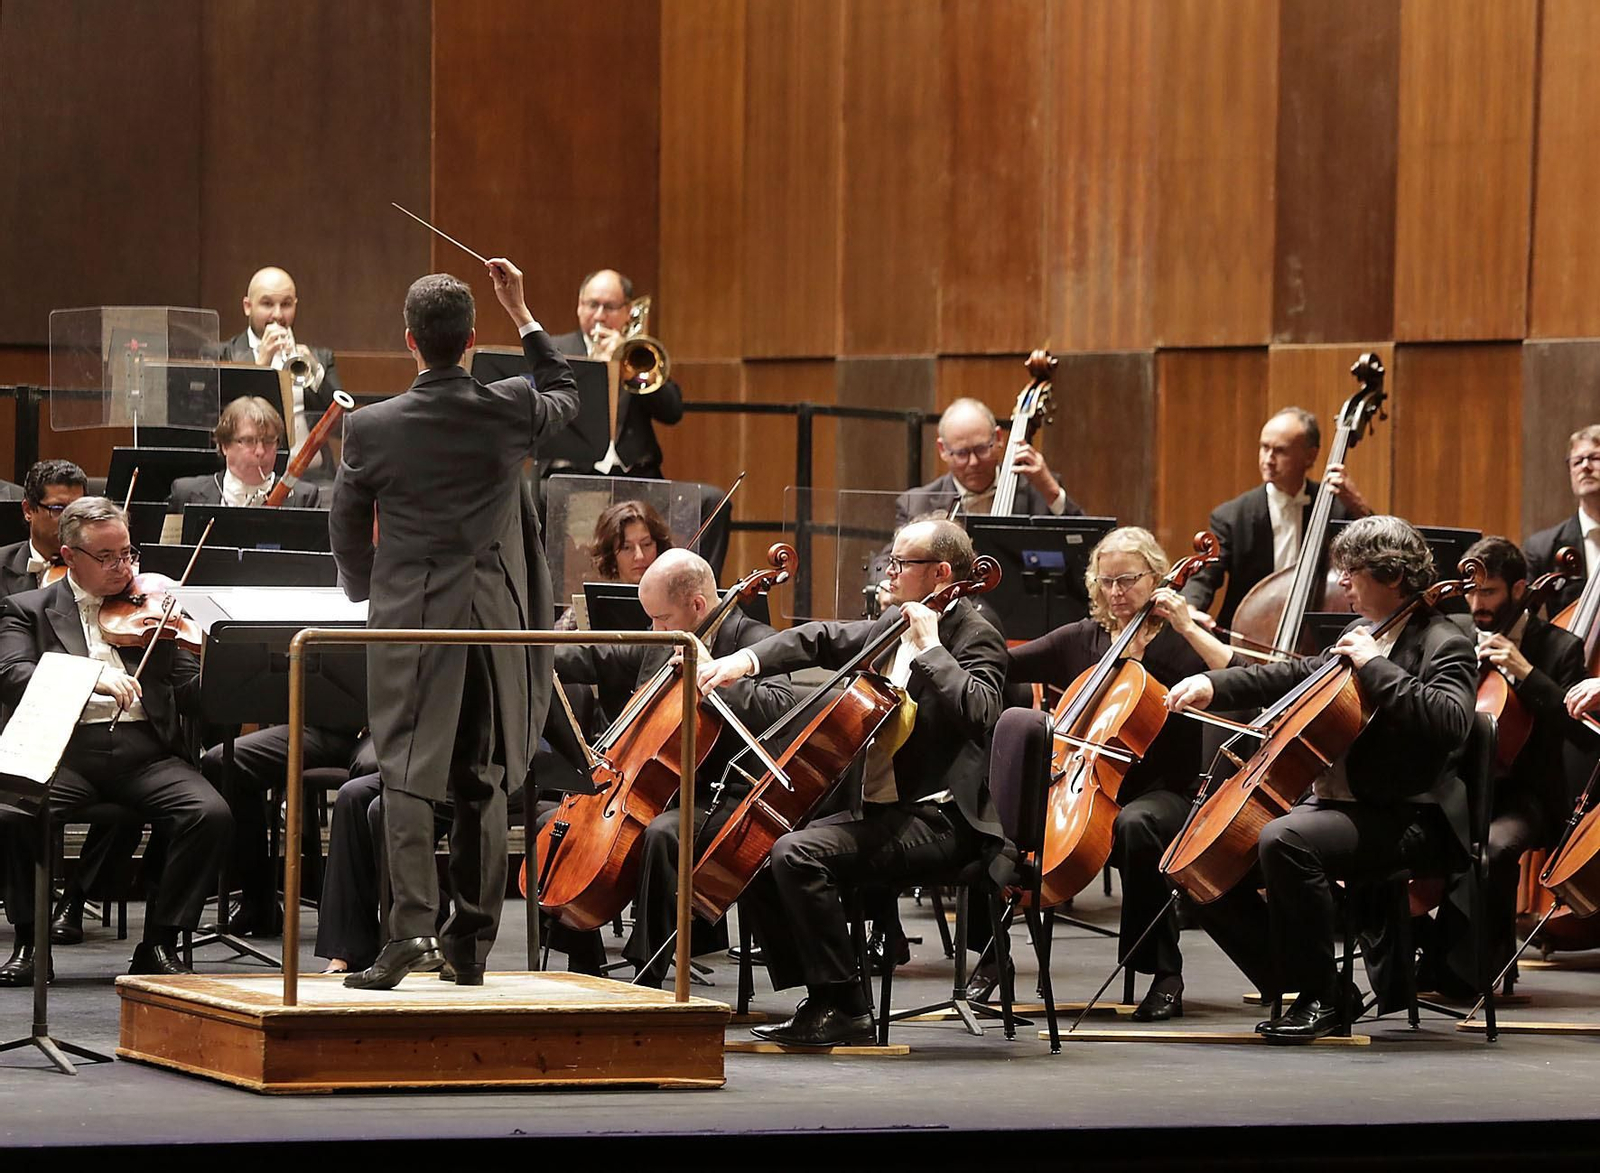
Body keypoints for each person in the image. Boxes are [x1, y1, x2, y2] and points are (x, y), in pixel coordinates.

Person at [329, 259, 578, 989]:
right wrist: (523, 311)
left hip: (413, 618)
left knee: (404, 772)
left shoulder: (370, 426)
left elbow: (346, 526)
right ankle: (469, 944)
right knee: (484, 774)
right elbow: (565, 390)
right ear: (472, 338)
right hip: (495, 619)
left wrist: (363, 588)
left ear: (410, 340)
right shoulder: (507, 407)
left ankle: (409, 933)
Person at [697, 518, 1010, 1047]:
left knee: (797, 854)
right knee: (758, 851)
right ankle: (824, 995)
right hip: (884, 809)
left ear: (937, 573)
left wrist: (932, 648)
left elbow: (981, 711)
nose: (889, 571)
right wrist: (743, 660)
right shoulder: (894, 622)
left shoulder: (975, 634)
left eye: (900, 563)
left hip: (944, 820)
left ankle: (846, 1006)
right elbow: (821, 638)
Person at [1167, 515, 1476, 1043]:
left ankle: (1319, 999)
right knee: (1202, 865)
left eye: (1353, 572)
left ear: (1393, 575)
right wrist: (1211, 684)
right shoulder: (1364, 634)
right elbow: (1288, 674)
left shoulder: (1444, 640)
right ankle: (1320, 986)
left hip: (1408, 813)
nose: (1345, 584)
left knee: (1285, 839)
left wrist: (1378, 667)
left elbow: (1452, 721)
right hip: (1343, 808)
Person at [984, 527, 1234, 1019]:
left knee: (1136, 826)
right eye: (1106, 582)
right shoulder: (1082, 638)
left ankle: (1164, 973)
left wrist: (1188, 626)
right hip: (1081, 784)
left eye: (1128, 580)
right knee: (996, 823)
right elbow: (1005, 664)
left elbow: (1238, 673)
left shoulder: (1177, 645)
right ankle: (992, 960)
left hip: (1163, 791)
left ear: (1156, 579)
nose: (1116, 593)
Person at [0, 498, 232, 985]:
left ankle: (159, 944)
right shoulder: (27, 609)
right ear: (69, 555)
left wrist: (215, 654)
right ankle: (29, 943)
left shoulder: (155, 611)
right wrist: (90, 677)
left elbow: (191, 693)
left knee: (207, 813)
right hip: (66, 751)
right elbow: (14, 673)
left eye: (128, 553)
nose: (122, 567)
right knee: (14, 809)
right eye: (106, 557)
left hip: (145, 754)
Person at [544, 548, 793, 984]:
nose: (654, 630)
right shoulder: (665, 641)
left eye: (661, 618)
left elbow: (783, 704)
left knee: (663, 835)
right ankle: (583, 966)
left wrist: (714, 675)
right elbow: (598, 657)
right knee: (558, 828)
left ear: (697, 605)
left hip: (723, 793)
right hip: (651, 786)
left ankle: (650, 975)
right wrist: (533, 651)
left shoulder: (753, 638)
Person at [1421, 536, 1590, 996]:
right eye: (1471, 592)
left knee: (1490, 849)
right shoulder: (1450, 631)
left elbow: (1580, 733)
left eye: (1489, 592)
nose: (1477, 604)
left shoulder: (1559, 647)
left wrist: (1526, 673)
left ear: (1519, 590)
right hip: (1456, 787)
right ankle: (1425, 958)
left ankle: (1472, 971)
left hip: (1526, 795)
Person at [1181, 407, 1372, 630]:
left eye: (1280, 451)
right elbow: (1206, 574)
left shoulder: (1337, 507)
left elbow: (1379, 552)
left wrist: (1357, 504)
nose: (1268, 460)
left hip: (1315, 637)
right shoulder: (1232, 516)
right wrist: (1191, 606)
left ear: (1310, 455)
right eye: (1264, 448)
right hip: (1249, 634)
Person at [548, 268, 684, 479]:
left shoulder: (640, 353)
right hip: (570, 472)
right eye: (593, 305)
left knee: (710, 498)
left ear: (627, 310)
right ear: (579, 306)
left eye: (610, 307)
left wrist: (627, 370)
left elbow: (672, 411)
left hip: (635, 472)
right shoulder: (553, 349)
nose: (600, 316)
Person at [221, 266, 344, 475]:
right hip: (248, 474)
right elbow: (222, 424)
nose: (277, 315)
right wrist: (261, 365)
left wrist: (316, 375)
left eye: (286, 304)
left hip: (314, 478)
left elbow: (342, 427)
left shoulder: (320, 358)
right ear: (247, 306)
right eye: (267, 304)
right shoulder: (224, 355)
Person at [167, 395, 320, 514]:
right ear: (225, 446)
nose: (260, 451)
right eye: (248, 441)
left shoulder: (304, 499)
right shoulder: (185, 494)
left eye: (268, 441)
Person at [1525, 423, 1600, 615]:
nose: (1585, 466)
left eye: (1595, 458)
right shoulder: (1542, 548)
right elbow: (1521, 618)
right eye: (1577, 461)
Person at [1, 460, 86, 596]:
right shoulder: (2, 566)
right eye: (58, 509)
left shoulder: (97, 564)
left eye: (77, 508)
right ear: (28, 510)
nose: (71, 519)